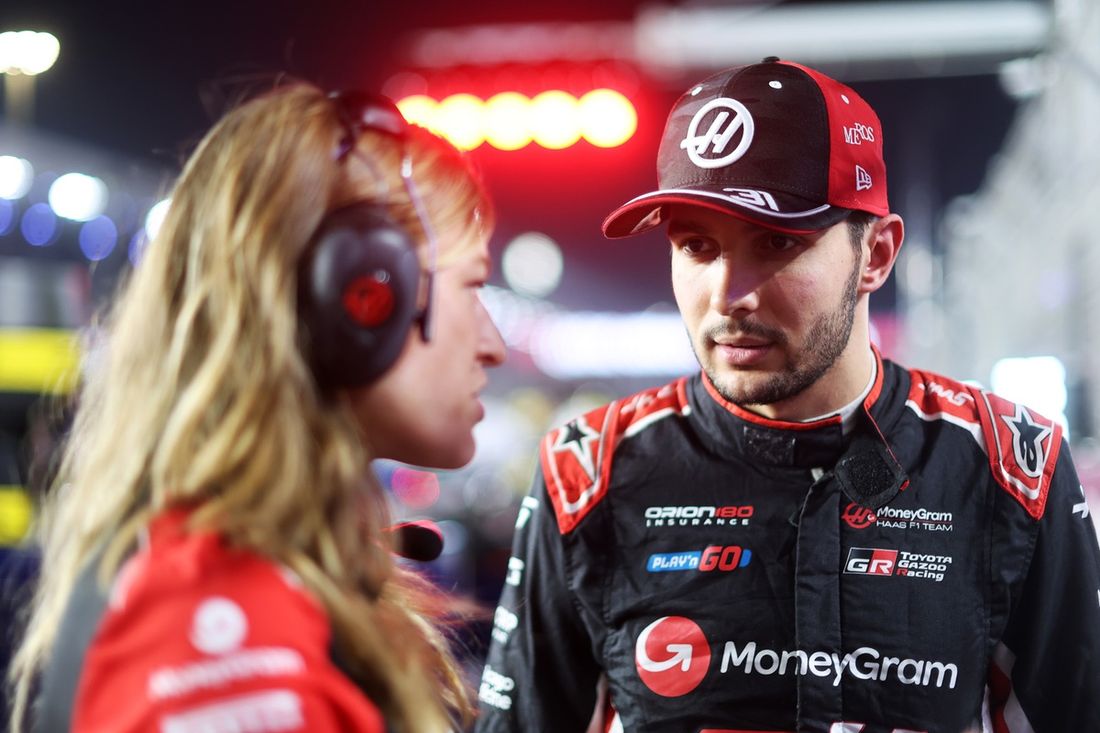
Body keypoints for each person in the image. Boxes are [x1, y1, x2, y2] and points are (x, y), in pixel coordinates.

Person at [475, 57, 1100, 733]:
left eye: (776, 241)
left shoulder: (1011, 464)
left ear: (878, 254)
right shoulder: (586, 471)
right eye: (696, 245)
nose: (728, 295)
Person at [6, 81, 506, 733]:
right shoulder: (219, 617)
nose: (493, 343)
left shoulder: (255, 576)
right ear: (361, 295)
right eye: (472, 285)